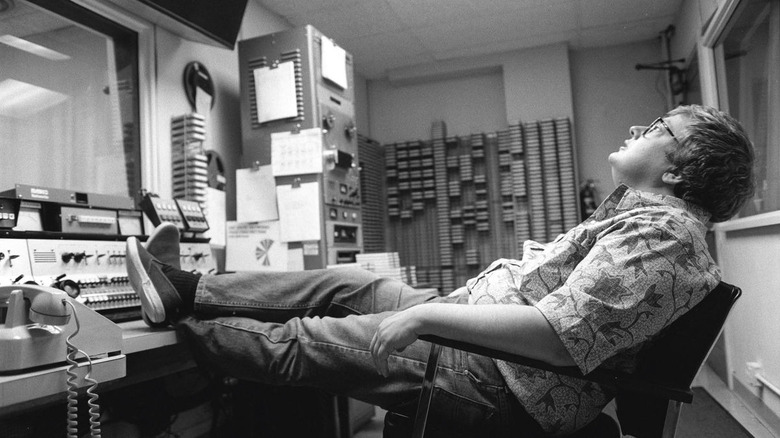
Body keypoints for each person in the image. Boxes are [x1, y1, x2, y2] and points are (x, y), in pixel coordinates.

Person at [126, 104, 754, 436]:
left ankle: (154, 340)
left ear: (677, 170)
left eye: (657, 129)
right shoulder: (649, 225)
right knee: (352, 283)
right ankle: (185, 290)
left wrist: (424, 316)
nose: (635, 129)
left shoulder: (663, 237)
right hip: (483, 347)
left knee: (312, 340)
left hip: (502, 381)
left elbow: (557, 340)